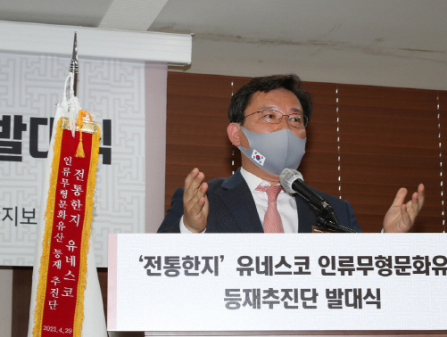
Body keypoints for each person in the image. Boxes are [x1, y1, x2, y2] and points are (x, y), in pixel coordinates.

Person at [157, 74, 424, 234]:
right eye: (270, 116)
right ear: (236, 134)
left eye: (295, 119)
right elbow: (158, 272)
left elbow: (358, 281)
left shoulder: (334, 210)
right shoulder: (205, 200)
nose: (286, 128)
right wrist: (190, 229)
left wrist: (389, 242)